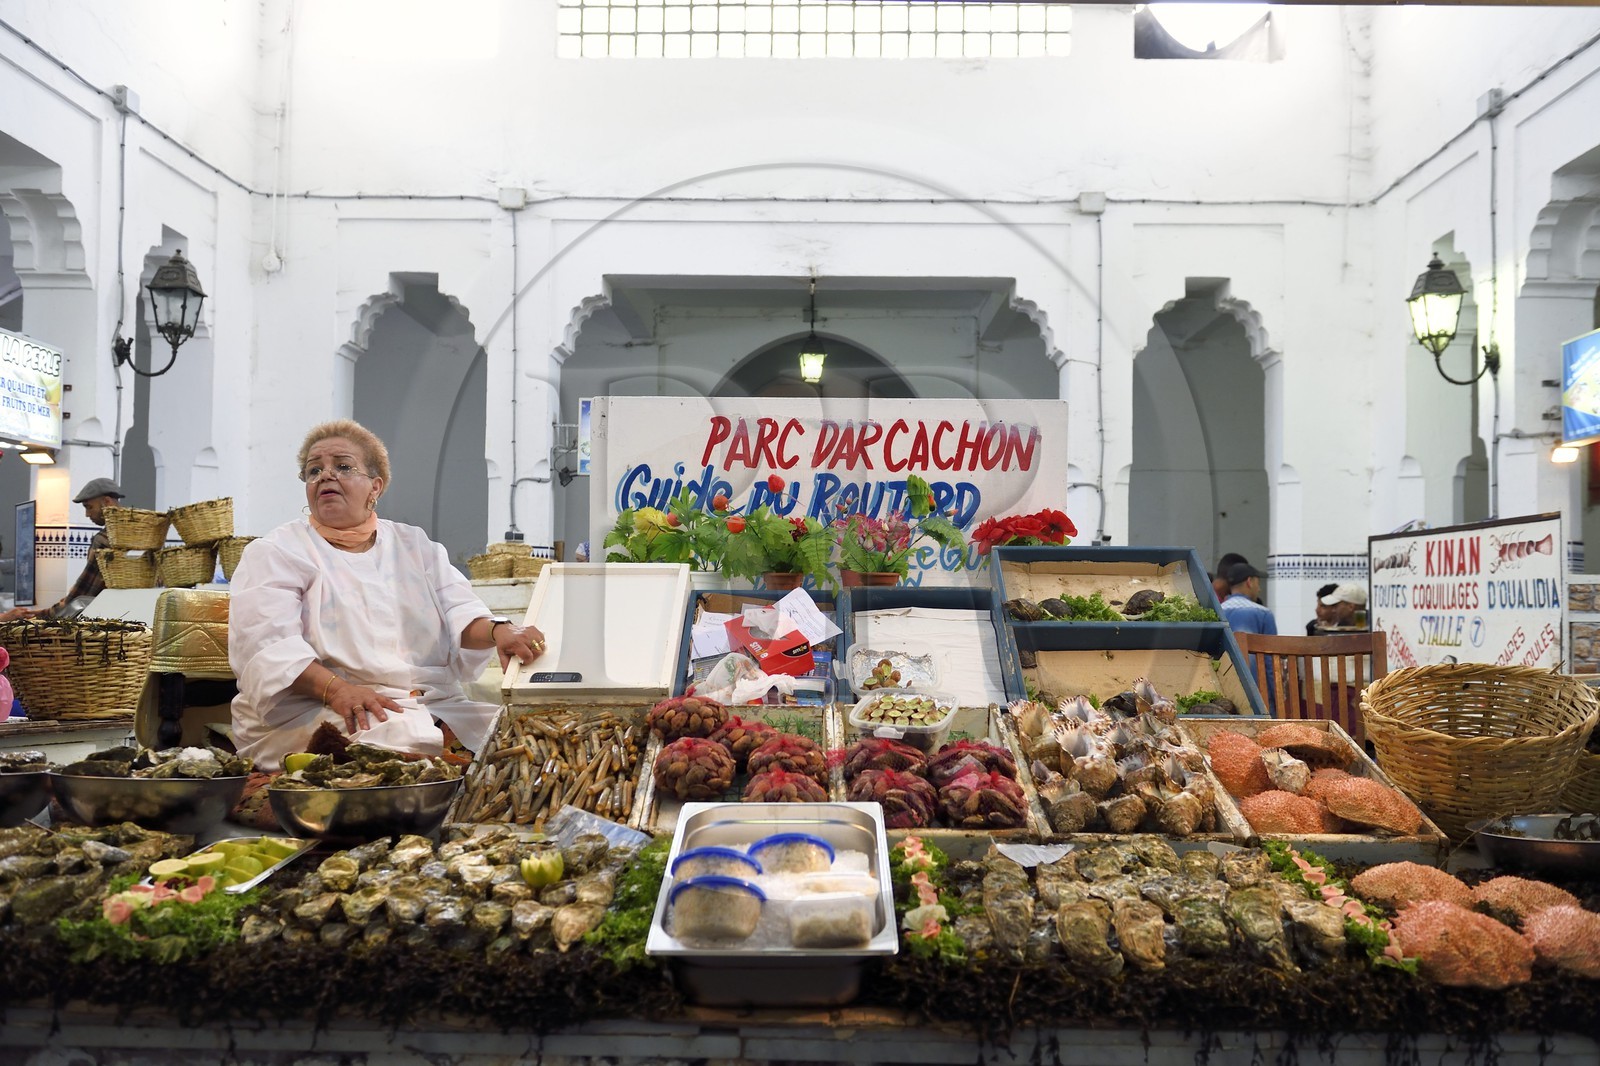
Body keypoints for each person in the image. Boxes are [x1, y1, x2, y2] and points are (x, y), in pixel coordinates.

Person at [228, 420, 545, 772]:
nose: (325, 476)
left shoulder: (414, 545)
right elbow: (268, 646)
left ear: (375, 487)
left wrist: (500, 630)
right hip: (319, 707)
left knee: (522, 739)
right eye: (313, 470)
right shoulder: (276, 551)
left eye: (343, 466)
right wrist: (338, 691)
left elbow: (460, 610)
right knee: (398, 751)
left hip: (427, 703)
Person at [0, 477, 124, 622]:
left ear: (107, 502)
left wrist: (40, 615)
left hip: (107, 620)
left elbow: (84, 591)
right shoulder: (140, 534)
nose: (87, 514)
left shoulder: (103, 540)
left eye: (89, 507)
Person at [1219, 560, 1277, 635]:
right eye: (1257, 583)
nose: (1259, 589)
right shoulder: (1264, 614)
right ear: (1249, 582)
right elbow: (1272, 645)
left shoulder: (1218, 611)